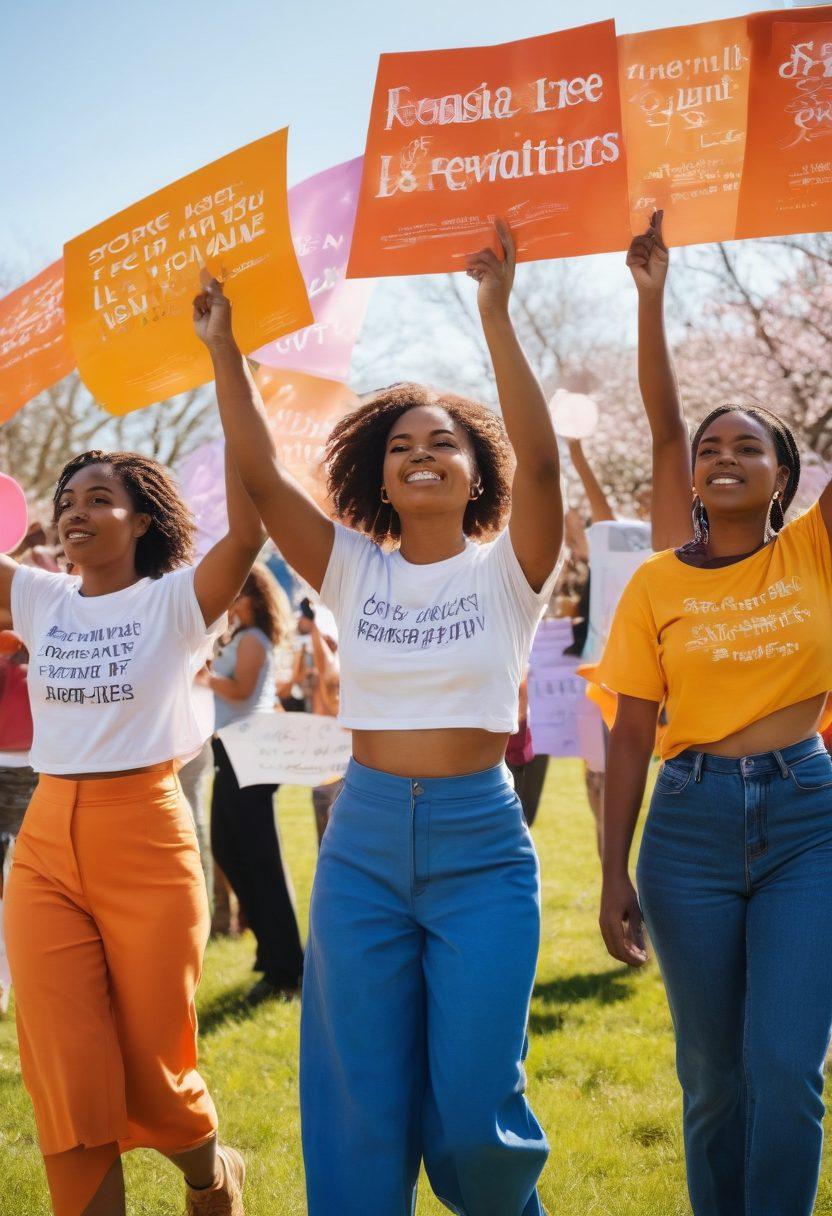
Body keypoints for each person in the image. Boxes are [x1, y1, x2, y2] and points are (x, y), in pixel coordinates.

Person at [195, 219, 563, 1216]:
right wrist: (224, 348)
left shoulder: (510, 571)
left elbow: (540, 469)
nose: (422, 455)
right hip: (360, 844)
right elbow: (266, 481)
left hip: (480, 846)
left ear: (470, 469)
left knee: (474, 1108)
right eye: (401, 445)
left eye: (442, 441)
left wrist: (495, 314)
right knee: (356, 1097)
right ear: (378, 474)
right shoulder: (355, 567)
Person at [593, 211, 832, 1216]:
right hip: (685, 830)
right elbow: (629, 730)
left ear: (785, 473)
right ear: (692, 477)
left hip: (806, 825)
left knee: (784, 1066)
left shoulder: (813, 551)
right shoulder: (654, 578)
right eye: (709, 446)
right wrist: (610, 871)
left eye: (748, 444)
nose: (722, 454)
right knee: (712, 1079)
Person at [0, 428, 265, 1215]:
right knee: (66, 1071)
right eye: (67, 502)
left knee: (156, 1071)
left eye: (100, 499)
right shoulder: (40, 596)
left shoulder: (175, 602)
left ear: (142, 519)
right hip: (47, 841)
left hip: (147, 836)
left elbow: (250, 529)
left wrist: (227, 356)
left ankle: (211, 1175)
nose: (77, 513)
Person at [207, 563, 304, 1003]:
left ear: (256, 599)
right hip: (232, 753)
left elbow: (242, 691)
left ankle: (286, 968)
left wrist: (202, 675)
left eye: (239, 594)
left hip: (250, 755)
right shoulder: (237, 637)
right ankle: (274, 955)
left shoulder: (253, 639)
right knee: (231, 850)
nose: (232, 601)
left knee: (258, 859)